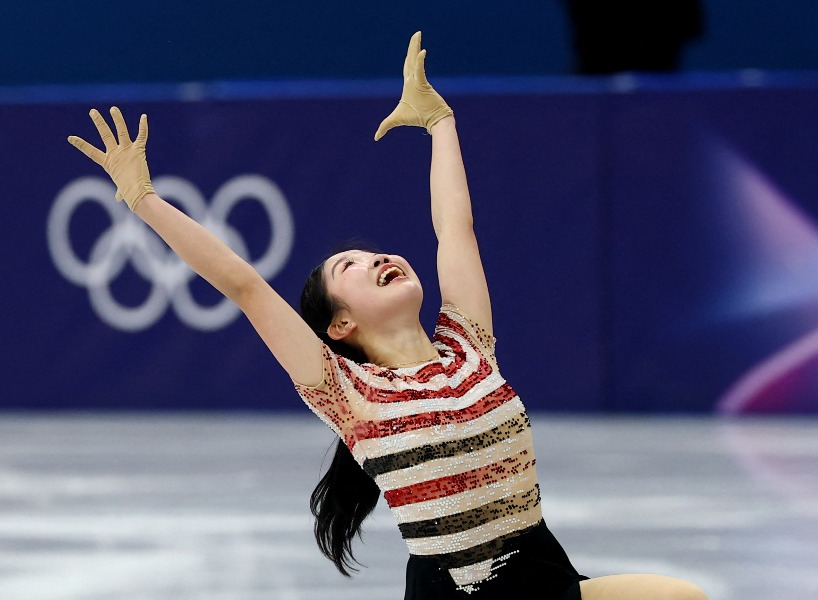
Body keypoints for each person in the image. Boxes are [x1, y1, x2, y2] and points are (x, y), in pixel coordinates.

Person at [68, 31, 708, 600]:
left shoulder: (468, 346)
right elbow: (244, 286)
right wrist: (144, 200)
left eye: (374, 252)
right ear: (339, 325)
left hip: (544, 577)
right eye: (351, 266)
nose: (375, 259)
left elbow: (454, 229)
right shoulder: (350, 396)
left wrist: (439, 123)